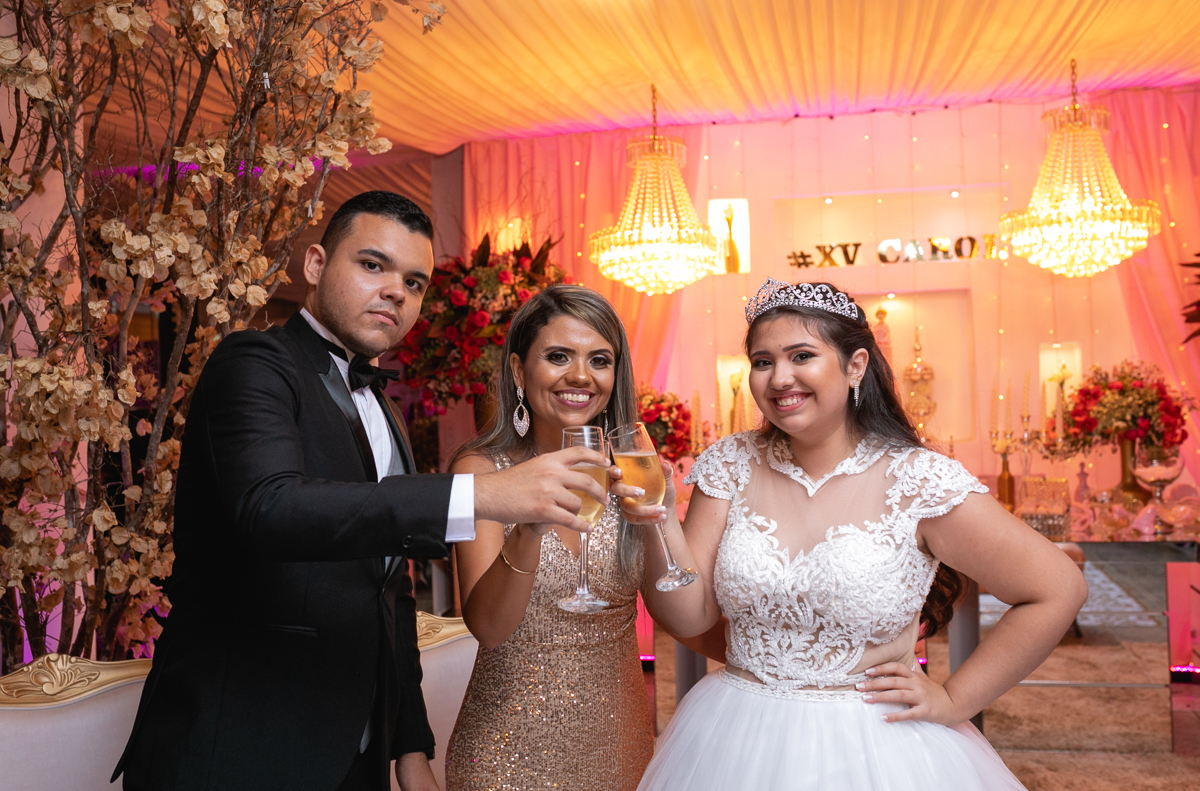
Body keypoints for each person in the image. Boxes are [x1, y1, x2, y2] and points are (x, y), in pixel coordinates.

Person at [112, 192, 610, 791]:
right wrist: (480, 496)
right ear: (317, 265)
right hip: (240, 746)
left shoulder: (384, 411)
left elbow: (387, 590)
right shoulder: (252, 363)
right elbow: (271, 509)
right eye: (373, 265)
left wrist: (409, 747)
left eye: (415, 281)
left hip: (357, 757)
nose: (397, 291)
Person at [623, 279, 1088, 791]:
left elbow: (1058, 588)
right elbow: (688, 617)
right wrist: (661, 520)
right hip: (730, 732)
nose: (780, 378)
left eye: (802, 355)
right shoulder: (729, 466)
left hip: (873, 746)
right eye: (762, 361)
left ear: (855, 366)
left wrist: (956, 699)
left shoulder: (918, 480)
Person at [444, 285, 655, 791]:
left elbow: (679, 606)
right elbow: (489, 629)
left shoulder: (631, 468)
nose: (581, 376)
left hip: (622, 747)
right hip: (507, 756)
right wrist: (531, 527)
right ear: (519, 371)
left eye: (599, 360)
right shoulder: (480, 471)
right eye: (558, 356)